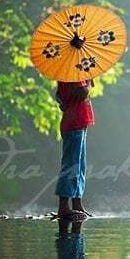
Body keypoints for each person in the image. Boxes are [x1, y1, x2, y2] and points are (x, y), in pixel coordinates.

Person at [55, 79, 95, 219]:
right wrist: (88, 81)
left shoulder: (67, 74)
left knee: (80, 165)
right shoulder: (74, 73)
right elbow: (82, 92)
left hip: (77, 122)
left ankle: (77, 202)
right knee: (71, 164)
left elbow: (59, 96)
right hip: (74, 122)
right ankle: (64, 206)